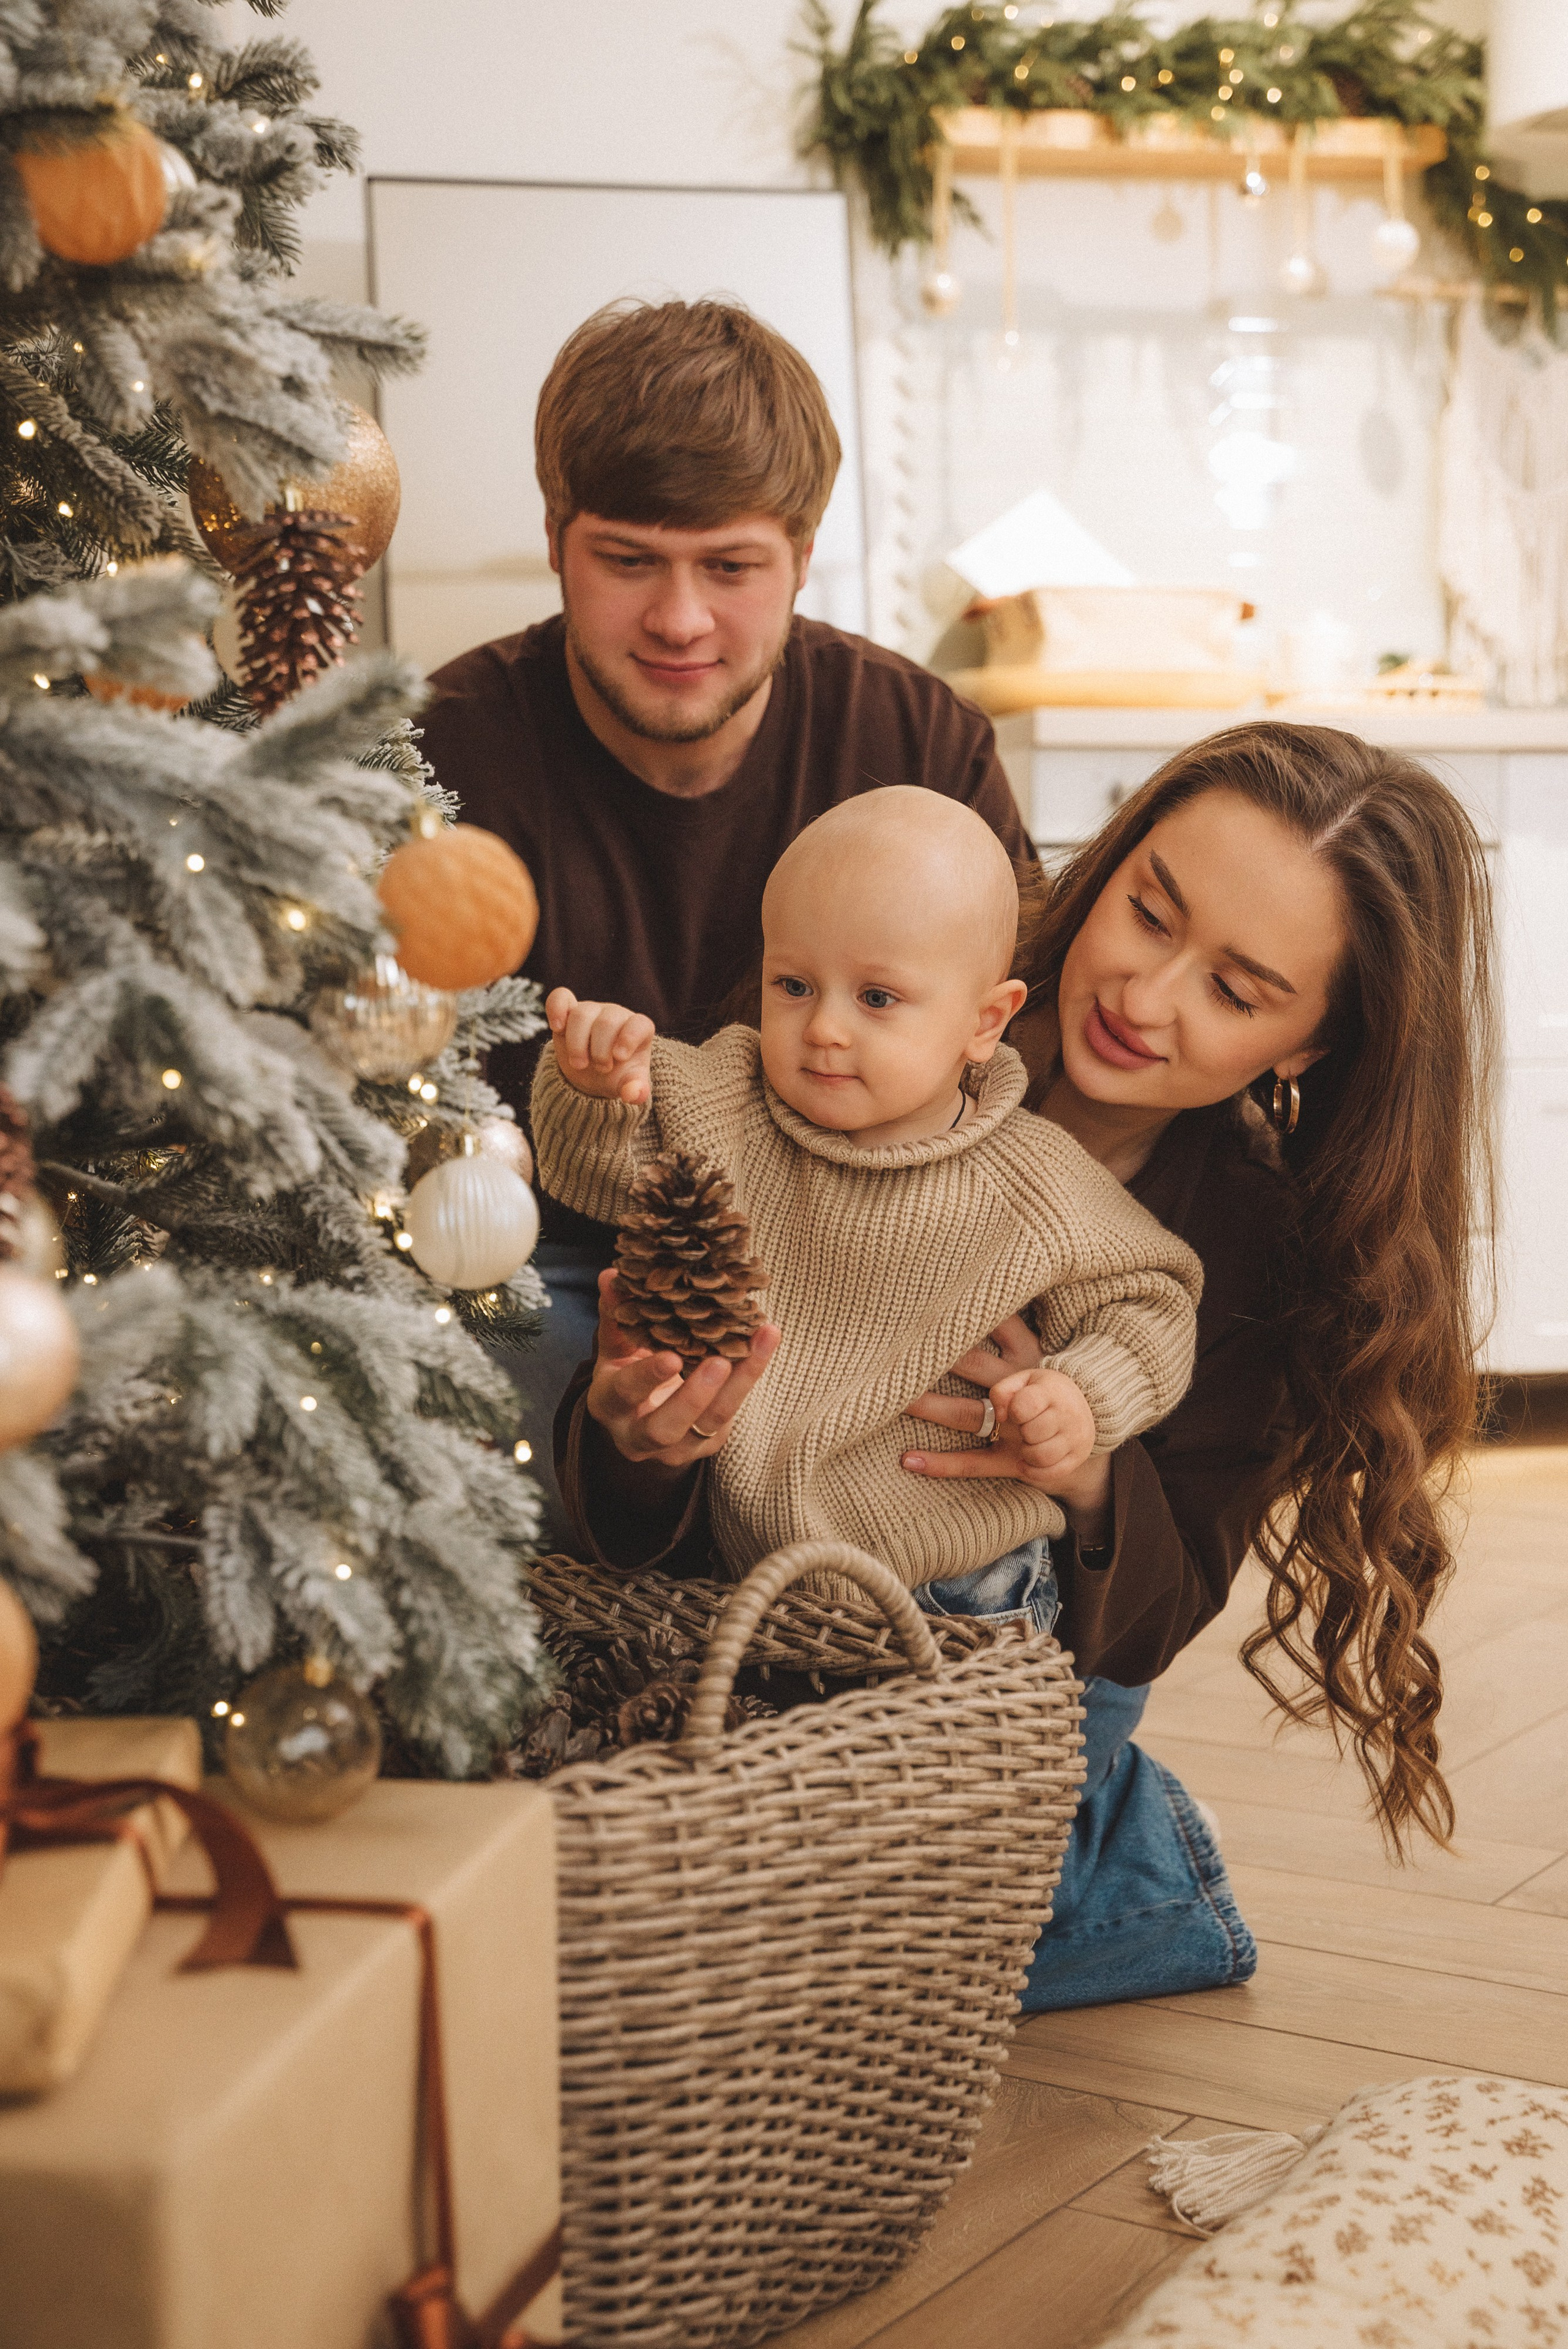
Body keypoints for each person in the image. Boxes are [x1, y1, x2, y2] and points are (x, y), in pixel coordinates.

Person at [559, 721, 1497, 2012]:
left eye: (1235, 991)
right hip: (760, 1560)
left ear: (1306, 1047)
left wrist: (1083, 1464)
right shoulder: (887, 966)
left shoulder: (1252, 1250)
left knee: (798, 1955)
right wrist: (635, 1433)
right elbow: (672, 1225)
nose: (1141, 995)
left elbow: (1150, 1626)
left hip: (1024, 1649)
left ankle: (1126, 1876)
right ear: (1105, 863)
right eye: (1146, 912)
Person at [418, 299, 1036, 1528]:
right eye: (629, 560)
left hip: (849, 1254)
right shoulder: (438, 751)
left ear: (802, 555)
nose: (680, 620)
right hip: (528, 1263)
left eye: (732, 567)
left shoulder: (915, 743)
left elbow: (1019, 1055)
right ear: (556, 541)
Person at [533, 789, 1201, 1603]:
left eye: (877, 998)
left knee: (945, 1733)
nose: (824, 1030)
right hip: (754, 1573)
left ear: (985, 1022)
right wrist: (596, 1084)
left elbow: (1153, 1299)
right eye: (795, 986)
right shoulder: (725, 1099)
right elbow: (595, 1174)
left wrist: (1081, 1396)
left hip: (961, 1584)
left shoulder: (1038, 1184)